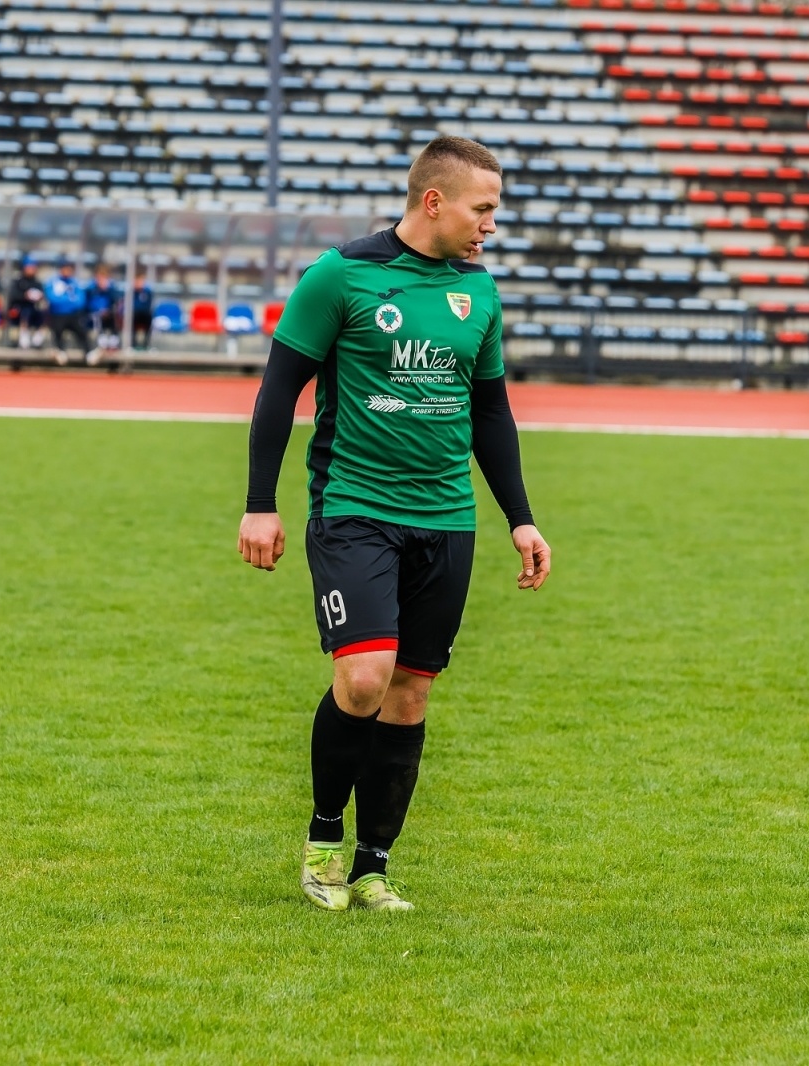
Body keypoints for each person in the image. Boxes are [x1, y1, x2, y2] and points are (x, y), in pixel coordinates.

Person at [238, 136, 551, 913]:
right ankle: (322, 842)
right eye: (483, 209)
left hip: (446, 518)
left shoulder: (477, 291)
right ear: (433, 202)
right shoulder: (341, 275)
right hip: (355, 508)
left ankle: (373, 867)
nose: (491, 225)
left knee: (410, 695)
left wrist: (520, 519)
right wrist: (259, 502)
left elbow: (491, 412)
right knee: (364, 678)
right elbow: (278, 391)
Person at [44, 259, 91, 365]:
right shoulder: (53, 282)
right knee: (57, 331)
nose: (67, 271)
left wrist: (66, 302)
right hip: (57, 314)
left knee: (81, 331)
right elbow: (52, 299)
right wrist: (69, 301)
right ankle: (59, 351)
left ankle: (89, 352)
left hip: (73, 314)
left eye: (69, 269)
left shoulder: (75, 283)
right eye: (64, 268)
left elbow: (80, 301)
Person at [7, 260, 47, 350]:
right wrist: (25, 296)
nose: (31, 270)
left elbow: (43, 296)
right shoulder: (18, 281)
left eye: (33, 268)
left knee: (43, 313)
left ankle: (38, 338)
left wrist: (40, 296)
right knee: (26, 312)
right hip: (19, 310)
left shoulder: (37, 283)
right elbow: (13, 296)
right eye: (29, 268)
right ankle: (24, 338)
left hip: (34, 309)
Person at [87, 263, 123, 358]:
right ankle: (101, 345)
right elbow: (88, 303)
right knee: (98, 319)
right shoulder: (91, 288)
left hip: (109, 313)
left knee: (114, 318)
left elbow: (117, 299)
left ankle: (114, 344)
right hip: (94, 314)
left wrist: (107, 289)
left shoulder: (111, 288)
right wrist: (99, 310)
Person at [131, 272, 153, 350]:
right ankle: (132, 344)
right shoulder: (131, 292)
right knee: (132, 318)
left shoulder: (147, 292)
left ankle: (146, 344)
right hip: (134, 314)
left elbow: (148, 305)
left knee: (149, 317)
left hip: (144, 314)